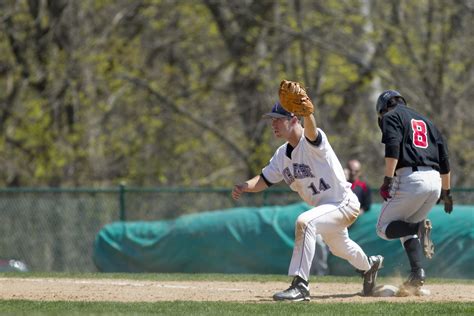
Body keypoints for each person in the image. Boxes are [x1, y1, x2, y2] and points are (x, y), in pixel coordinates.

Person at [232, 100, 384, 301]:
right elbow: (264, 179)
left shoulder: (311, 141)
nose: (273, 124)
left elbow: (311, 131)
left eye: (278, 119)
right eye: (272, 120)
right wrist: (245, 185)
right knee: (339, 247)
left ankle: (301, 285)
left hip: (342, 203)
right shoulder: (281, 155)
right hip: (325, 209)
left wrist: (308, 112)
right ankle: (369, 266)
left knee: (305, 222)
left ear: (294, 119)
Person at [375, 90, 453, 291]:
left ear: (383, 108)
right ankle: (417, 273)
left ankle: (418, 228)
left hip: (411, 179)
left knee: (383, 228)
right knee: (405, 227)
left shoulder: (391, 116)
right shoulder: (427, 121)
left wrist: (387, 179)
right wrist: (446, 191)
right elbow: (444, 159)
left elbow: (393, 146)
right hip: (434, 181)